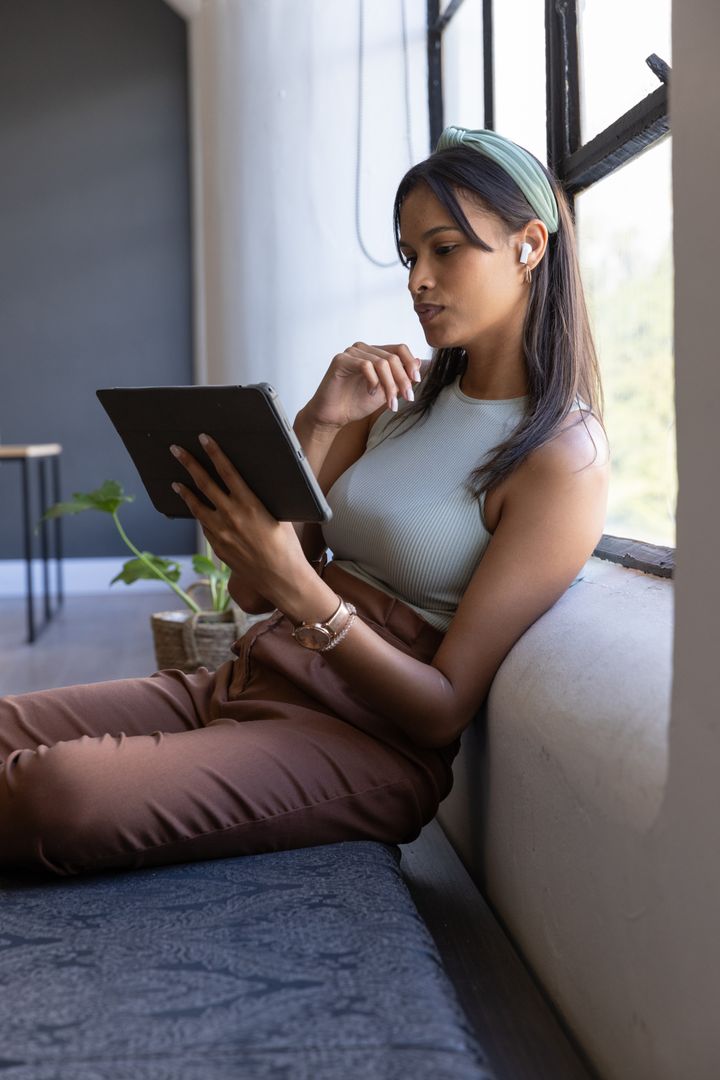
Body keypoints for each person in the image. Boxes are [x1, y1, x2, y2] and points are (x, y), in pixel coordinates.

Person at [0, 127, 609, 877]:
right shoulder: (398, 400)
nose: (417, 279)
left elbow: (444, 706)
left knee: (53, 793)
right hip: (253, 676)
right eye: (409, 256)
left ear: (529, 245)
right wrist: (318, 423)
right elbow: (255, 590)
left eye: (445, 249)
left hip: (362, 741)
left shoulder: (560, 459)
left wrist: (301, 585)